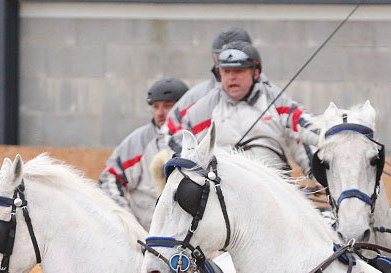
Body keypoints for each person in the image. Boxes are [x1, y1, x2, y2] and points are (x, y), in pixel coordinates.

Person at [175, 41, 319, 175]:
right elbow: (178, 146)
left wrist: (316, 174)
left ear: (255, 73)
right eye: (226, 71)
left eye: (239, 71)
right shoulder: (202, 110)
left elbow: (309, 130)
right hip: (223, 193)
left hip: (274, 187)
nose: (232, 77)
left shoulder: (276, 101)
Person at [99, 77, 188, 227]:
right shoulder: (138, 141)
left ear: (183, 107)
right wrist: (129, 225)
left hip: (190, 240)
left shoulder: (197, 138)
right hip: (146, 239)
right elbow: (109, 181)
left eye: (167, 106)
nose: (160, 113)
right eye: (155, 107)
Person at [165, 27, 264, 135]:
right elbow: (169, 133)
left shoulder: (272, 97)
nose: (227, 62)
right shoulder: (197, 97)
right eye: (220, 57)